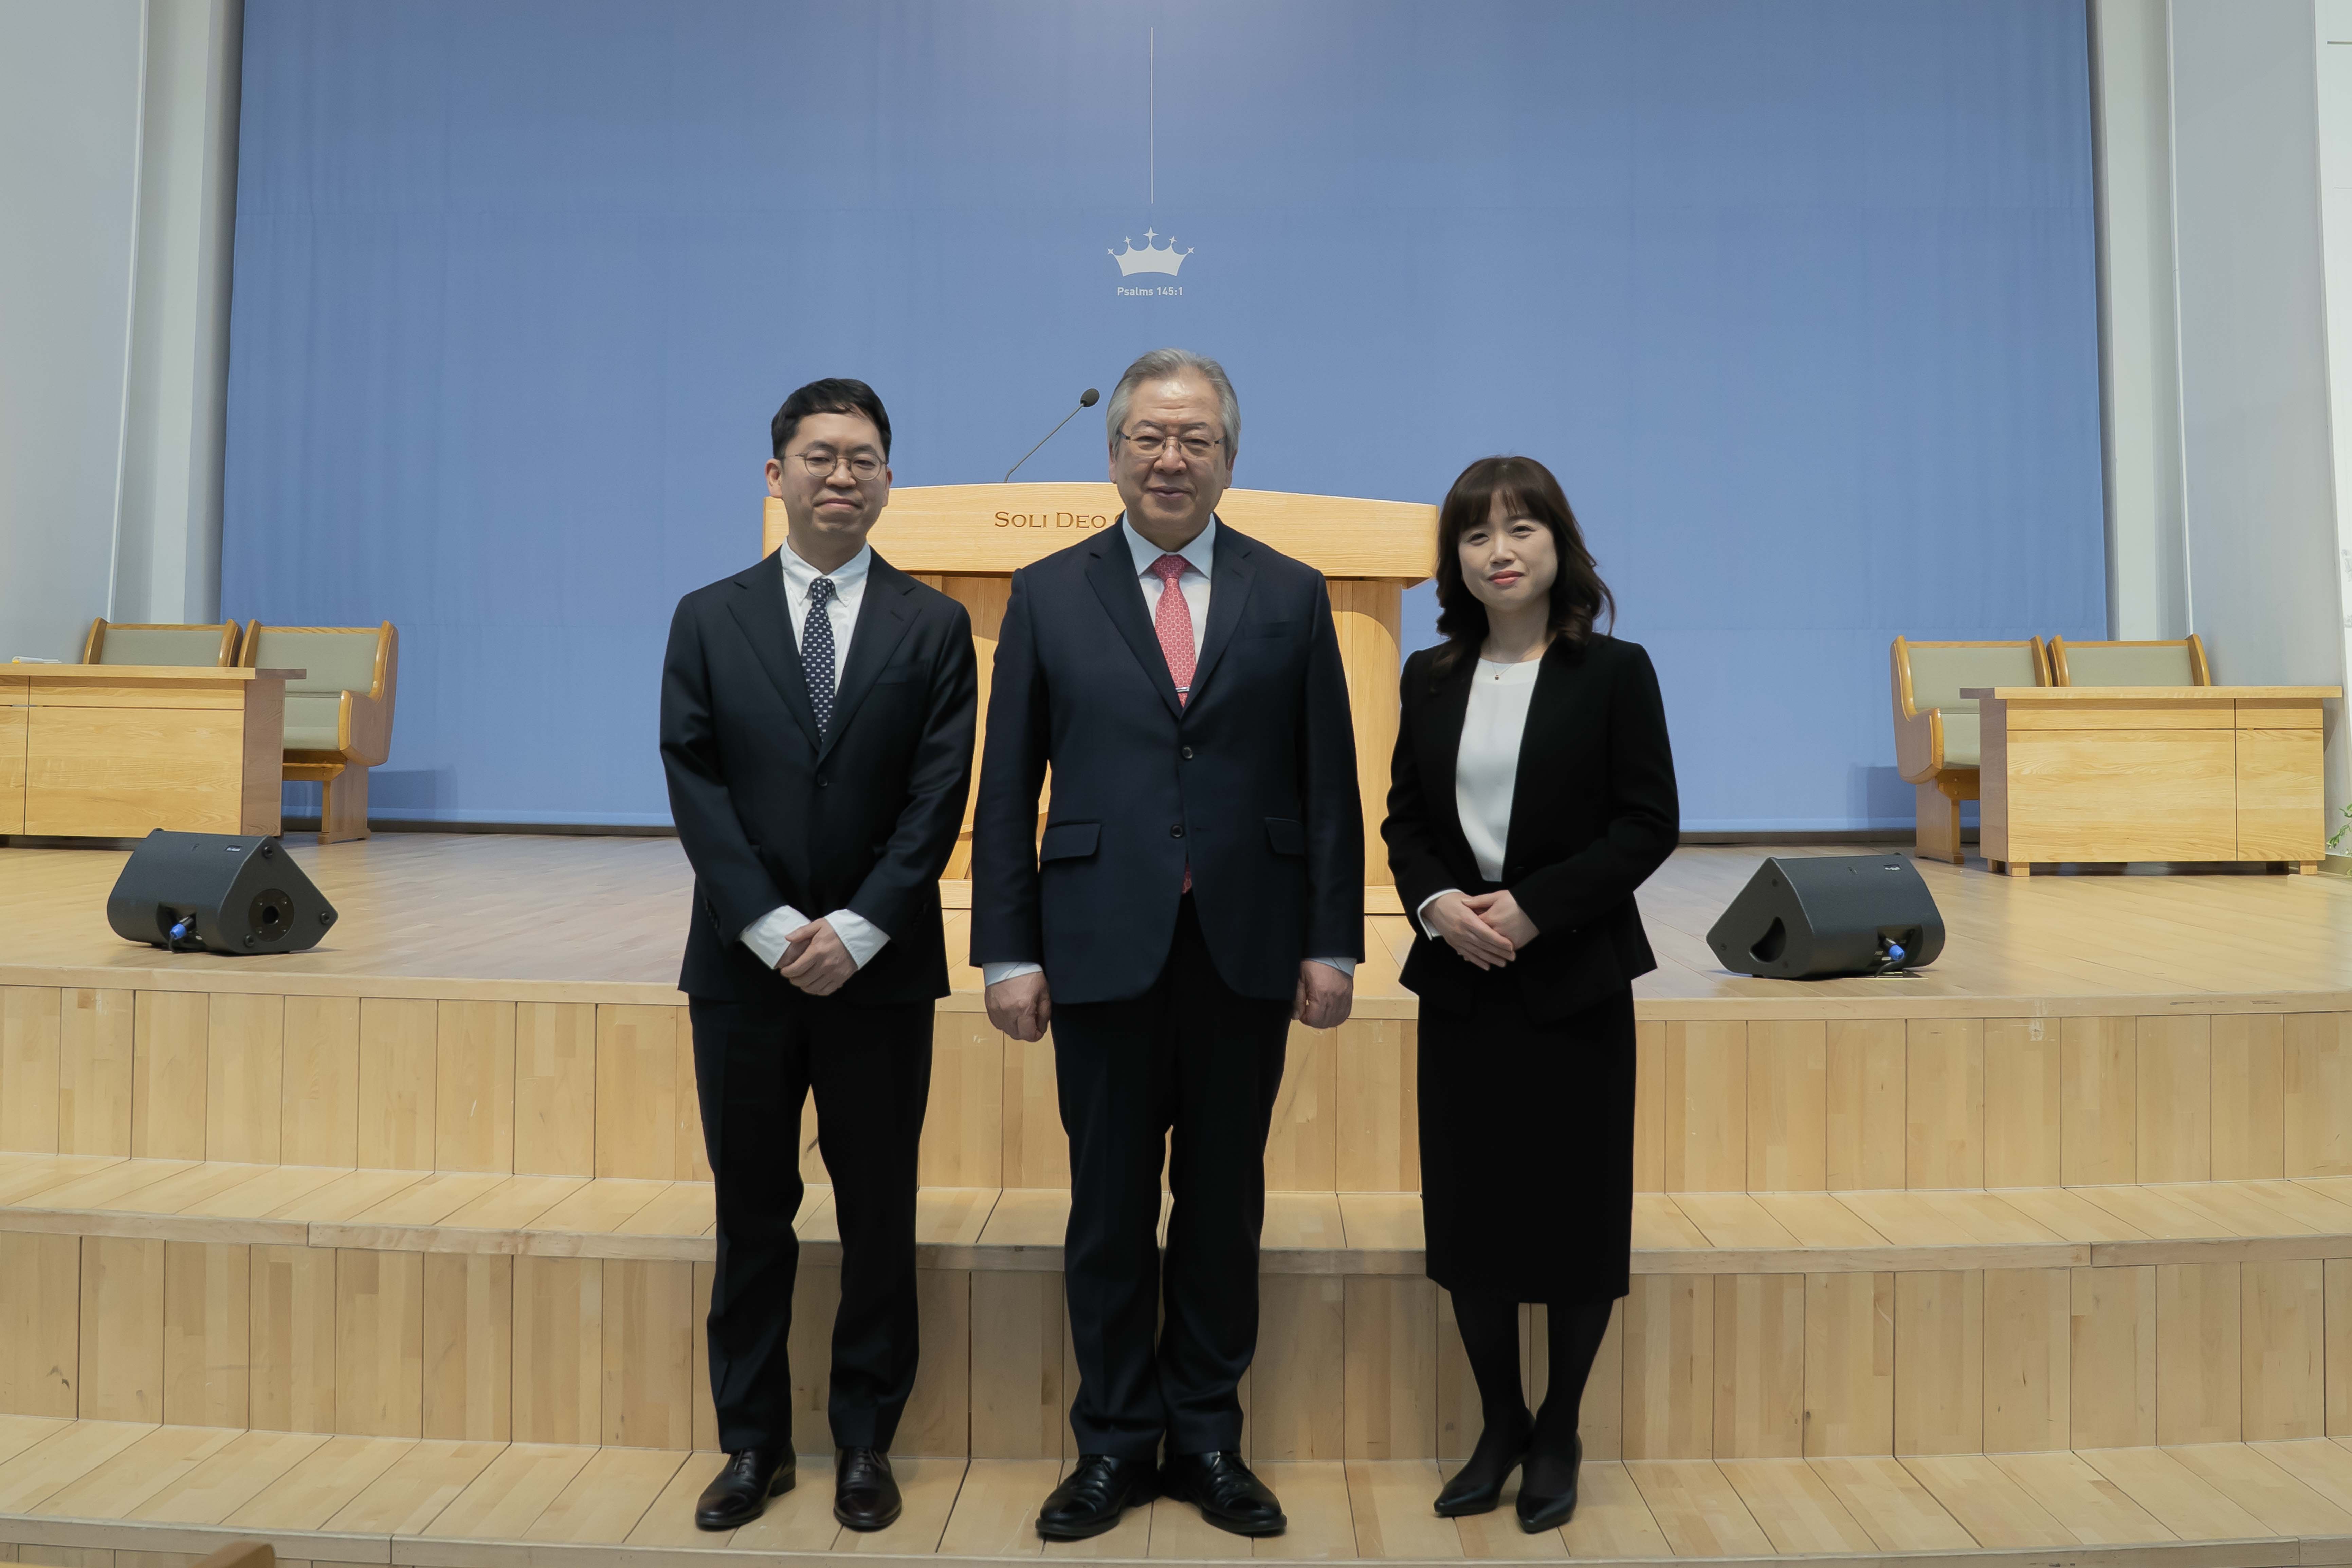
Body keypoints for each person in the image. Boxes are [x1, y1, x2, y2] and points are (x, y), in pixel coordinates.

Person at [971, 348, 1363, 1541]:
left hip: (1245, 944)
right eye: (1149, 436)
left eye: (1196, 438)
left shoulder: (1292, 594)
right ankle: (1111, 1444)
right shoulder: (1046, 593)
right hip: (1096, 946)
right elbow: (1006, 791)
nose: (1170, 457)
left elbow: (1328, 782)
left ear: (1231, 459)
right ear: (1114, 453)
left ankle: (1205, 1437)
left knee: (1222, 1206)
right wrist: (1006, 950)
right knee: (1106, 1209)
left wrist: (1332, 940)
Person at [659, 378, 977, 1533]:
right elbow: (692, 779)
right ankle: (752, 1442)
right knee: (753, 1209)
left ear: (890, 477)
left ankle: (862, 1442)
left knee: (879, 1209)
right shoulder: (708, 615)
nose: (842, 476)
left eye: (864, 458)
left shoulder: (934, 625)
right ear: (775, 474)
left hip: (880, 968)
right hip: (740, 970)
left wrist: (855, 927)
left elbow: (941, 793)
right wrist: (765, 921)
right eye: (819, 456)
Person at [1381, 455, 1676, 1530]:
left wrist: (1536, 908)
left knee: (1575, 1209)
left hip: (1573, 977)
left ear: (1560, 546)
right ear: (1456, 561)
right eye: (1475, 535)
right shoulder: (1429, 673)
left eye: (1520, 529)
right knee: (1472, 1212)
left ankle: (1560, 1427)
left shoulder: (1615, 670)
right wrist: (1438, 906)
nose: (1498, 550)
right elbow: (1405, 820)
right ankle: (1499, 1420)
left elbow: (1648, 824)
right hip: (1461, 977)